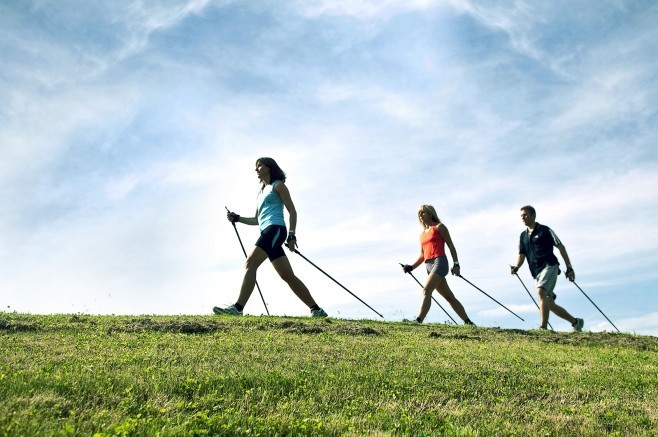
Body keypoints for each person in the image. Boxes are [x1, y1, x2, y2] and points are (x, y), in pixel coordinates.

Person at [214, 157, 327, 318]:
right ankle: (317, 310)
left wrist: (292, 235)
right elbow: (257, 220)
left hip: (275, 230)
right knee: (287, 276)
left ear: (269, 167)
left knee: (250, 263)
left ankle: (237, 308)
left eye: (259, 165)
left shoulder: (278, 185)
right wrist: (237, 218)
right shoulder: (260, 192)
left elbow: (292, 211)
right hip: (267, 231)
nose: (256, 169)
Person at [510, 205, 583, 331]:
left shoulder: (545, 230)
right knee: (549, 303)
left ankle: (543, 328)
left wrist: (569, 268)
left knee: (541, 292)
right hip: (536, 272)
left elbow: (561, 247)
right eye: (521, 216)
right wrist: (516, 267)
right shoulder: (523, 236)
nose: (523, 218)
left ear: (533, 216)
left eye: (525, 215)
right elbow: (521, 255)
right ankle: (576, 322)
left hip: (550, 265)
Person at [401, 205, 475, 325]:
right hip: (428, 265)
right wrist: (411, 267)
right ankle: (468, 322)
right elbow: (422, 255)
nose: (420, 216)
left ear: (430, 214)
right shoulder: (422, 234)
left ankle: (418, 321)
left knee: (426, 290)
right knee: (449, 297)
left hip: (439, 262)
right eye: (419, 214)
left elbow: (451, 246)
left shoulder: (439, 227)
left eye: (423, 213)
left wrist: (456, 264)